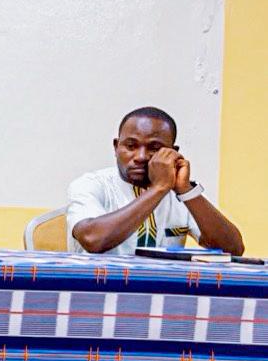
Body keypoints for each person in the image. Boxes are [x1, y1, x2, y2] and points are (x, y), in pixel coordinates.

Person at [67, 106, 243, 256]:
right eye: (131, 146)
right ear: (116, 147)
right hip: (99, 284)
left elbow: (233, 249)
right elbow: (93, 240)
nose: (141, 156)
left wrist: (187, 191)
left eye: (155, 148)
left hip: (164, 285)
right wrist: (158, 188)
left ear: (173, 151)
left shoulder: (180, 194)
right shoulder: (91, 184)